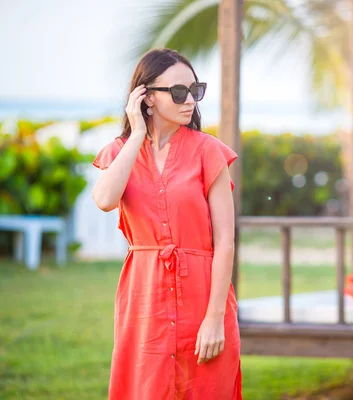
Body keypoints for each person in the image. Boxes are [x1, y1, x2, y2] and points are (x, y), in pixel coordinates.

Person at [91, 48, 242, 399]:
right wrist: (136, 135)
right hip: (144, 302)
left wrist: (215, 317)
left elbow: (225, 242)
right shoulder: (119, 152)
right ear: (146, 97)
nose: (189, 100)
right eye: (178, 92)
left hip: (203, 299)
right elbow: (104, 200)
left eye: (195, 90)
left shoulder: (209, 152)